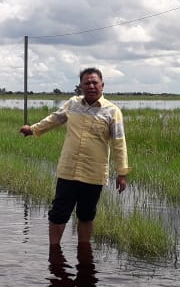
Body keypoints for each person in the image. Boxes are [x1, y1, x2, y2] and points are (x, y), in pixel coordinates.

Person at [20, 68, 130, 249]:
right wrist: (33, 129)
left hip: (93, 173)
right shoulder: (73, 104)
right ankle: (54, 252)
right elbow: (54, 119)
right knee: (58, 213)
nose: (91, 86)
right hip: (68, 170)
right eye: (87, 83)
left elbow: (119, 143)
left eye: (95, 83)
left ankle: (83, 252)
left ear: (102, 85)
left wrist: (122, 173)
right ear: (81, 86)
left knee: (86, 215)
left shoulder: (112, 111)